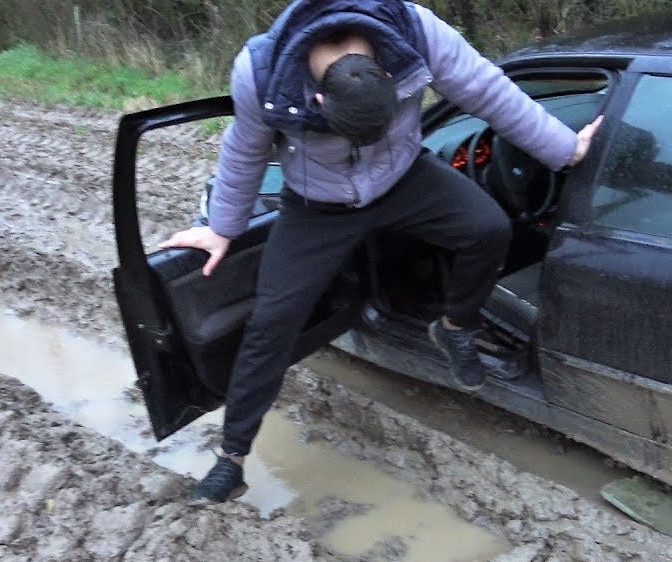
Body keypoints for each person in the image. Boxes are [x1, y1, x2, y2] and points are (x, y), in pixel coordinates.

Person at [162, 0, 603, 502]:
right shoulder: (261, 71)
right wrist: (221, 227)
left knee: (488, 228)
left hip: (404, 177)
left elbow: (486, 89)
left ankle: (455, 327)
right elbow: (244, 147)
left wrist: (565, 150)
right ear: (322, 103)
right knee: (270, 324)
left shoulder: (415, 31)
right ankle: (231, 458)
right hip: (317, 204)